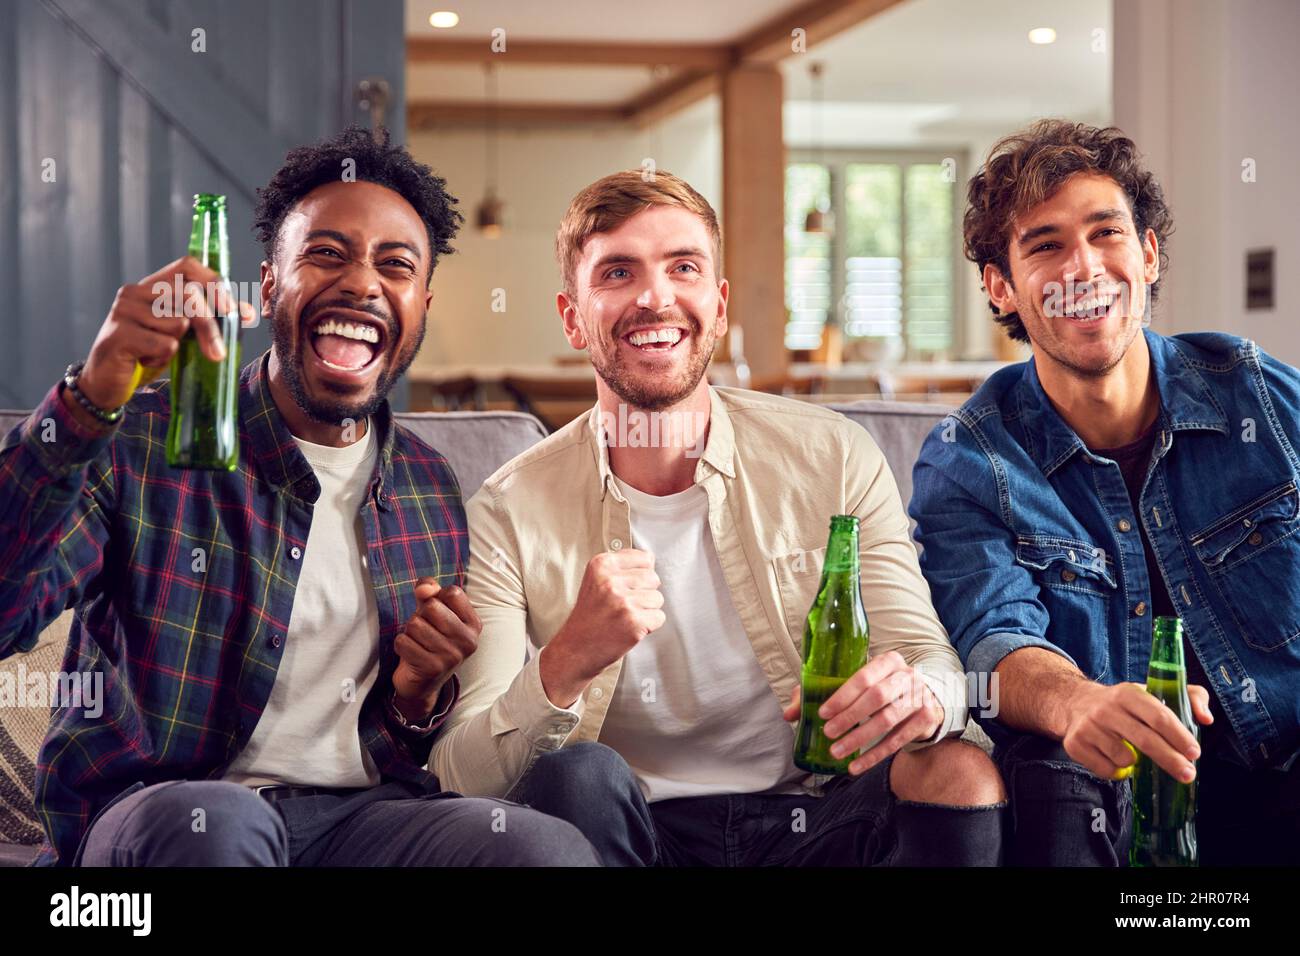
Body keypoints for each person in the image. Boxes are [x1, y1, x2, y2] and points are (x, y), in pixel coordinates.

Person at [0, 126, 597, 867]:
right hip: (162, 810)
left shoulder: (427, 485)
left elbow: (407, 743)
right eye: (326, 254)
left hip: (361, 821)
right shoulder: (140, 442)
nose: (362, 283)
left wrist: (416, 697)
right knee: (217, 824)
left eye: (396, 265)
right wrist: (89, 398)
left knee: (539, 849)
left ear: (421, 302)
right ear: (269, 284)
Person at [428, 168, 1007, 867]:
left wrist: (918, 696)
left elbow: (931, 662)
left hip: (815, 816)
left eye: (683, 267)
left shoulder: (834, 456)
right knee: (574, 774)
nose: (654, 297)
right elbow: (458, 770)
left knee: (957, 769)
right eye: (617, 272)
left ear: (720, 303)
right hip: (631, 831)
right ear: (573, 316)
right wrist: (565, 662)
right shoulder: (508, 506)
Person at [909, 119, 1300, 865]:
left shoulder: (1258, 394)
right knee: (1054, 781)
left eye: (1105, 233)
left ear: (1147, 254)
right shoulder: (970, 459)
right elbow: (995, 638)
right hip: (1109, 797)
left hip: (1285, 766)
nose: (1083, 267)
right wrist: (1079, 700)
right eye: (1045, 245)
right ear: (1002, 287)